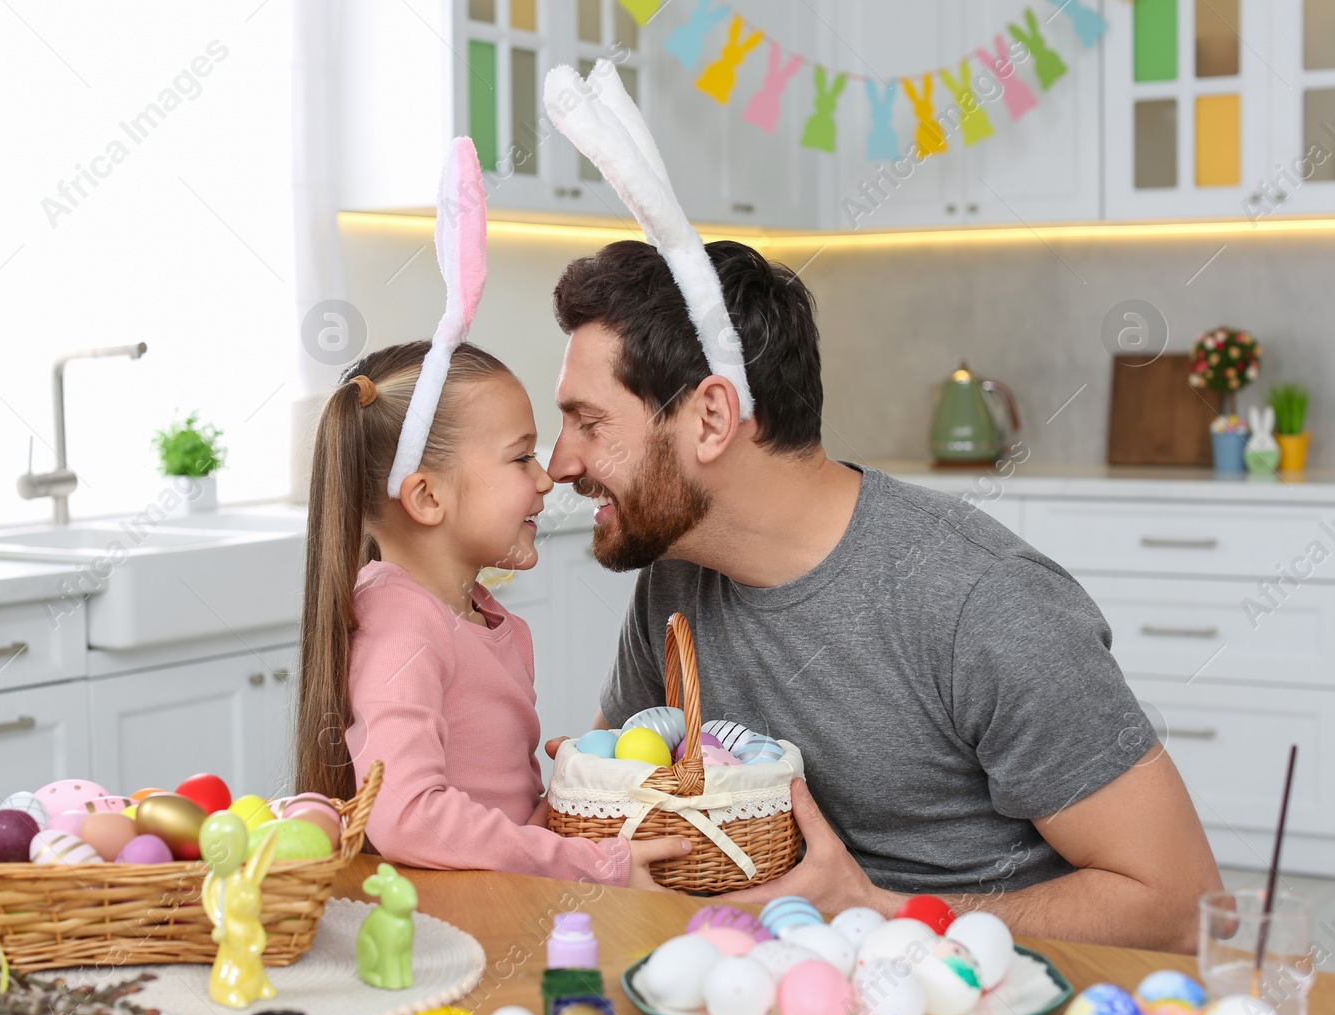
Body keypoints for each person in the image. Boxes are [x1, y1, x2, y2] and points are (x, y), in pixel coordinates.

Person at [543, 238, 1222, 952]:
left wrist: (877, 907)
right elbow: (632, 788)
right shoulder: (677, 574)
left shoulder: (985, 601)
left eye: (590, 423)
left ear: (711, 419)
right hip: (753, 986)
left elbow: (1177, 904)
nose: (560, 462)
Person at [294, 340, 689, 889]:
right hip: (457, 918)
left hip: (501, 900)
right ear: (428, 498)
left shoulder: (478, 616)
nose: (546, 477)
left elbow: (498, 809)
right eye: (521, 456)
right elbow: (407, 816)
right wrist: (591, 864)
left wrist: (565, 800)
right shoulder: (403, 623)